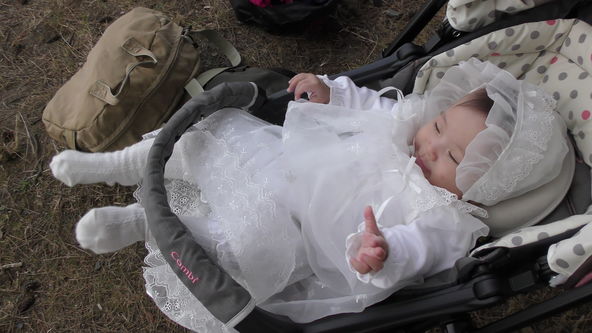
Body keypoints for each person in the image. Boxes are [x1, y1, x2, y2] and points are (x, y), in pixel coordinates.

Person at [49, 58, 568, 330]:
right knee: (219, 131)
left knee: (241, 242)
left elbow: (418, 250)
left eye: (454, 160)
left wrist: (378, 252)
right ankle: (117, 165)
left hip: (302, 232)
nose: (430, 148)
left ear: (486, 186)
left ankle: (142, 222)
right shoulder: (411, 125)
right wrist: (333, 91)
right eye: (438, 128)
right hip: (286, 157)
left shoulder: (448, 218)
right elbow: (373, 103)